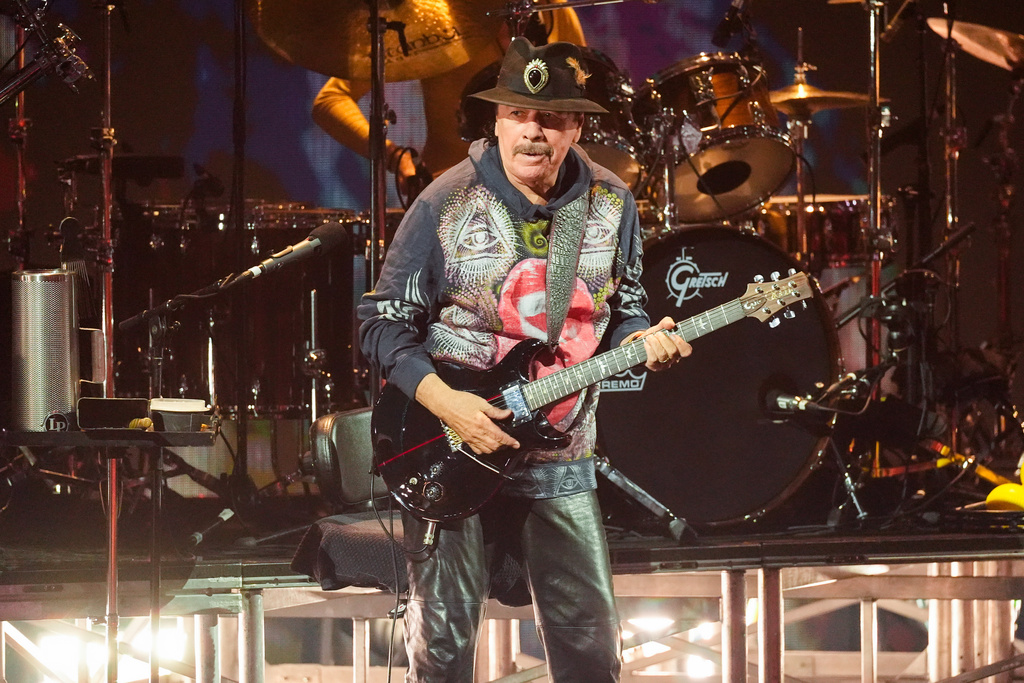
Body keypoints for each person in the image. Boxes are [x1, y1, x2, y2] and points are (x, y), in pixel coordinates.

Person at [357, 38, 691, 681]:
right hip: (452, 446)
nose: (533, 131)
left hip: (562, 456)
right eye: (517, 114)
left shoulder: (611, 200)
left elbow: (626, 309)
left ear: (578, 126)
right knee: (443, 653)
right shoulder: (443, 202)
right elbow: (382, 322)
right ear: (496, 120)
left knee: (592, 653)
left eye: (551, 117)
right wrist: (447, 402)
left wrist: (641, 342)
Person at [312, 4, 586, 197]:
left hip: (550, 198)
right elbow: (330, 100)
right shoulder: (433, 17)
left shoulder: (556, 11)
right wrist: (395, 158)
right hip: (455, 202)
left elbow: (585, 100)